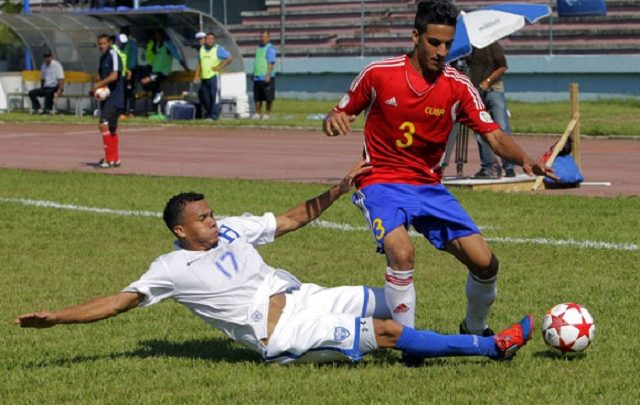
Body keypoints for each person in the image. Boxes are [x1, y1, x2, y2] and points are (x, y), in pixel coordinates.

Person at [14, 162, 533, 365]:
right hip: (281, 330)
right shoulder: (168, 269)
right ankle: (488, 346)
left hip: (307, 294)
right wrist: (57, 317)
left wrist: (338, 189)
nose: (214, 222)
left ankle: (423, 351)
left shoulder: (234, 229)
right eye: (202, 219)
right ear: (180, 230)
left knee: (392, 301)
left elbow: (289, 220)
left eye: (212, 213)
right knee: (390, 331)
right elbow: (117, 302)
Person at [322, 0, 555, 366]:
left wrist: (524, 159)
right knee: (402, 252)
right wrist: (333, 120)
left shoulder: (457, 86)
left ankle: (474, 330)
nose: (442, 52)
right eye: (434, 43)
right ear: (415, 37)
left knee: (486, 264)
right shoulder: (378, 74)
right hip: (380, 180)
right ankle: (409, 346)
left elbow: (493, 136)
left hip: (429, 188)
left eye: (447, 44)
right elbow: (338, 113)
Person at [467, 43, 516, 179]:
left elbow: (503, 66)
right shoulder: (467, 48)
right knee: (479, 129)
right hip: (475, 91)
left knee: (502, 127)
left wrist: (488, 81)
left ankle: (509, 166)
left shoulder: (493, 44)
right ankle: (489, 166)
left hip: (494, 89)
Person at [92, 33, 125, 169]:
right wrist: (98, 86)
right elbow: (100, 73)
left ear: (109, 43)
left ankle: (108, 159)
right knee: (111, 128)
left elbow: (114, 75)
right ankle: (115, 159)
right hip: (107, 96)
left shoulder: (113, 54)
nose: (101, 46)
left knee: (103, 125)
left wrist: (98, 86)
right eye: (99, 44)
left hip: (115, 96)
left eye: (104, 43)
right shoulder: (103, 57)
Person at [194, 32, 233, 120]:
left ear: (214, 40)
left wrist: (220, 66)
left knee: (215, 97)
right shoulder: (202, 49)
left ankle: (214, 116)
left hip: (214, 77)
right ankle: (209, 114)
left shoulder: (217, 49)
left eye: (212, 39)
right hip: (204, 77)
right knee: (205, 98)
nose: (210, 40)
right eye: (208, 38)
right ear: (205, 39)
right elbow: (199, 63)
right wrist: (196, 75)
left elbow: (230, 57)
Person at [28, 50, 64, 115]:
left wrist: (59, 90)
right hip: (46, 87)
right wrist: (42, 88)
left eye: (48, 56)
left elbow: (61, 79)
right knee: (31, 93)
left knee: (49, 92)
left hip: (55, 86)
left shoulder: (57, 65)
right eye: (45, 57)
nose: (47, 58)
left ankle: (48, 110)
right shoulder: (43, 66)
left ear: (51, 57)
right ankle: (38, 109)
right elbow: (42, 79)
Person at [252, 31, 277, 120]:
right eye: (262, 36)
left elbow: (271, 62)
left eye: (265, 37)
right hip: (257, 76)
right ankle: (258, 113)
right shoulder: (258, 48)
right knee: (257, 97)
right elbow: (257, 62)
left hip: (266, 76)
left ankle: (268, 113)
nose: (263, 38)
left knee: (268, 97)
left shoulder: (270, 48)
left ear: (269, 37)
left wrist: (268, 74)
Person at [120, 27, 138, 117]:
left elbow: (134, 58)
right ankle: (122, 111)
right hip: (121, 72)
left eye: (124, 32)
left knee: (130, 91)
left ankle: (131, 111)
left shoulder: (132, 44)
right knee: (122, 91)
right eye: (121, 32)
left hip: (130, 71)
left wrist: (130, 70)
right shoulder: (119, 44)